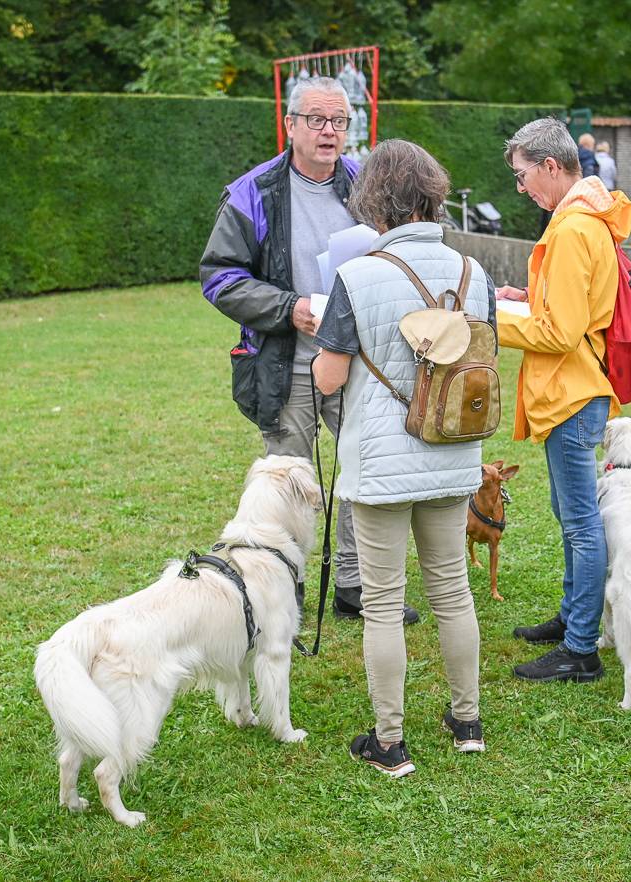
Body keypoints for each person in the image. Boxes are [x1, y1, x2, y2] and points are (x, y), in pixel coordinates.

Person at [199, 77, 419, 624]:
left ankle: (355, 583)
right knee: (290, 482)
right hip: (285, 361)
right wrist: (289, 308)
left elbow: (396, 254)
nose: (329, 131)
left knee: (363, 468)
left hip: (355, 361)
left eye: (340, 121)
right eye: (317, 120)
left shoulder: (366, 186)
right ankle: (282, 589)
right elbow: (219, 276)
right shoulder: (253, 192)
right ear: (290, 125)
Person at [312, 139, 493, 776]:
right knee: (452, 591)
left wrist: (321, 348)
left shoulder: (355, 277)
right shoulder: (475, 276)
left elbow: (329, 380)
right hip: (453, 451)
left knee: (383, 603)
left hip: (381, 463)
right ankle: (466, 719)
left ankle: (390, 741)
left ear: (375, 204)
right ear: (434, 196)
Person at [495, 117, 630, 683]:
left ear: (552, 167)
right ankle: (575, 619)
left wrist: (493, 319)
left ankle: (581, 649)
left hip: (573, 394)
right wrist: (526, 298)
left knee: (579, 522)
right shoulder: (583, 219)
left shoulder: (574, 228)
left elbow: (559, 333)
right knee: (570, 515)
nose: (521, 188)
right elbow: (571, 308)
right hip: (573, 390)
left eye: (524, 176)